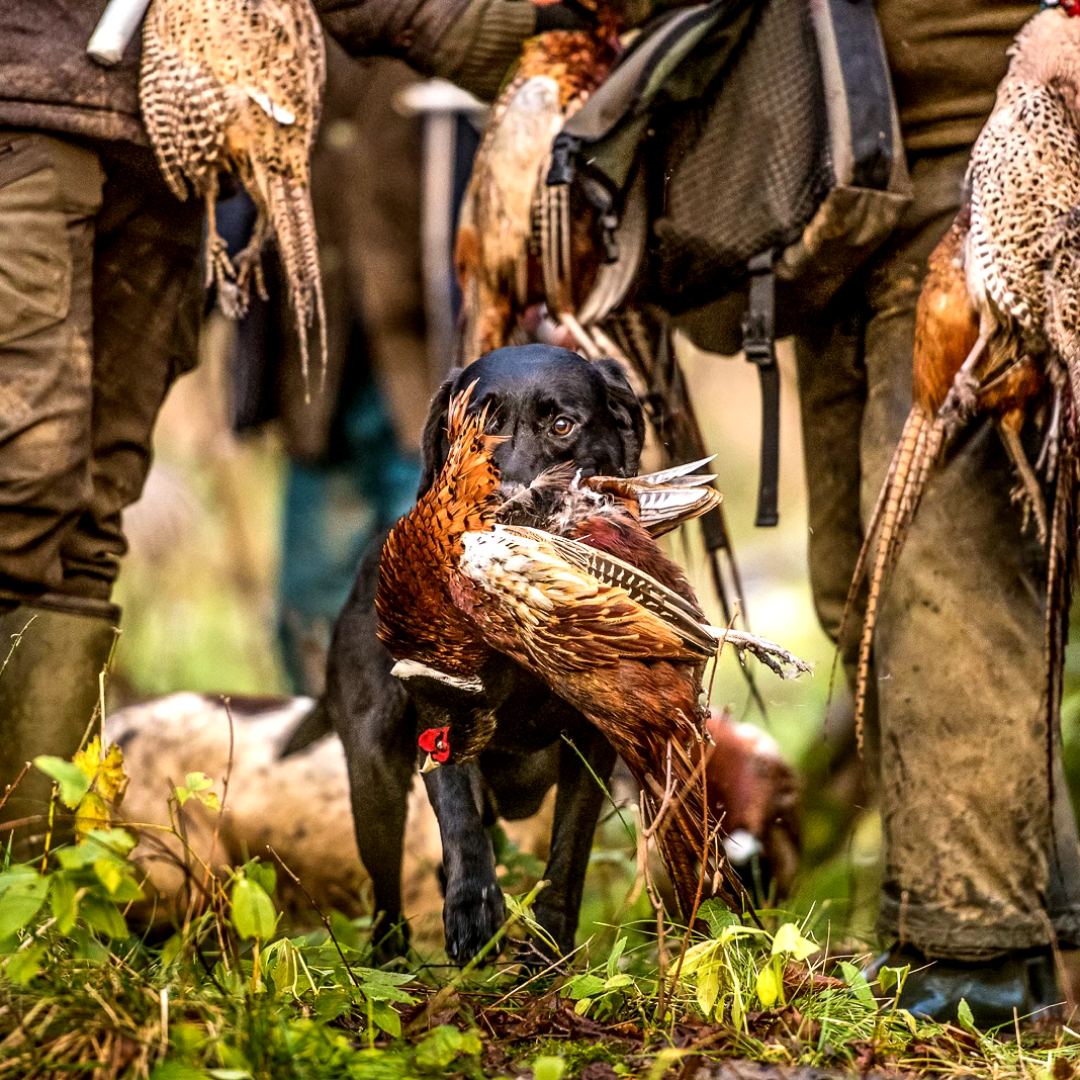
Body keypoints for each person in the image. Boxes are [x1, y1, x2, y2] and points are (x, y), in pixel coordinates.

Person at [0, 0, 591, 835]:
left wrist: (557, 34)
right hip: (41, 109)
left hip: (188, 165)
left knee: (90, 515)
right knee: (30, 497)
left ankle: (28, 881)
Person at [794, 0, 1080, 1023]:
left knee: (937, 567)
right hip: (835, 180)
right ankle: (1031, 917)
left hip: (993, 159)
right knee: (858, 579)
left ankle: (978, 963)